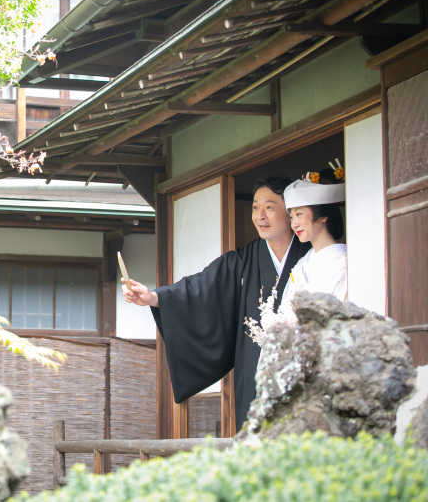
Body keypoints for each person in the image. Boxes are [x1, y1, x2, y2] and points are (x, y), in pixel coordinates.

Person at [122, 175, 310, 431]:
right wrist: (154, 297)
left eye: (269, 207)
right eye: (255, 207)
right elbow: (200, 287)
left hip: (301, 370)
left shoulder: (311, 258)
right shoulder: (244, 261)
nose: (259, 216)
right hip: (254, 372)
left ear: (290, 212)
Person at [279, 168, 347, 306]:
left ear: (322, 215)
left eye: (299, 214)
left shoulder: (343, 261)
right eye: (291, 217)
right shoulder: (302, 263)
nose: (294, 224)